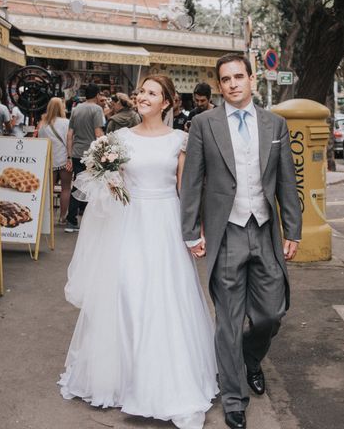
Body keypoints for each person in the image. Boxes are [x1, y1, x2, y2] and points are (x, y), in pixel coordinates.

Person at [59, 74, 217, 429]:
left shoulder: (181, 140)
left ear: (167, 102)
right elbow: (102, 183)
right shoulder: (117, 139)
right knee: (128, 295)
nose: (143, 96)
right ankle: (126, 379)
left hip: (165, 226)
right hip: (127, 225)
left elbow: (184, 190)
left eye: (152, 92)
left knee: (164, 298)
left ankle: (164, 381)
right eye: (141, 91)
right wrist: (109, 182)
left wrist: (196, 232)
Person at [180, 53, 302, 429]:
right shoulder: (204, 124)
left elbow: (286, 181)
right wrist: (190, 231)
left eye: (238, 76)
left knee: (271, 313)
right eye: (225, 79)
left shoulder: (275, 124)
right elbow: (193, 182)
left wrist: (293, 229)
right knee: (228, 322)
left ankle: (251, 357)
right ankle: (234, 398)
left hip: (264, 230)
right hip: (227, 232)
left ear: (251, 79)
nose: (232, 83)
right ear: (219, 86)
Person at [64, 83, 105, 233]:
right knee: (93, 186)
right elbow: (98, 133)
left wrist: (69, 155)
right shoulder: (97, 109)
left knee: (78, 184)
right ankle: (90, 220)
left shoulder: (76, 109)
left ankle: (71, 220)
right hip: (91, 154)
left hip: (76, 152)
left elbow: (70, 134)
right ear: (97, 95)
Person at [37, 97, 71, 223]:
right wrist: (69, 157)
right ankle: (62, 217)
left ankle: (46, 218)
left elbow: (40, 143)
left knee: (48, 189)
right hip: (64, 158)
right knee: (66, 188)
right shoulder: (67, 123)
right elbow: (69, 141)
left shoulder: (43, 124)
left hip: (49, 159)